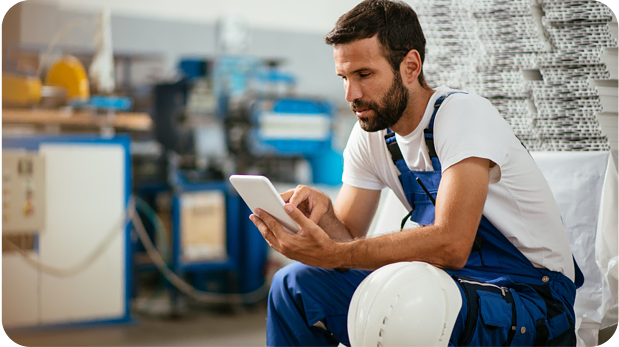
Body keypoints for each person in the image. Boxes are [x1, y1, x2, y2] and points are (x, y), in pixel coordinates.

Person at [248, 1, 584, 346]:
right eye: (344, 78)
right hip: (449, 283)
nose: (352, 94)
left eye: (364, 75)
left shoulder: (462, 115)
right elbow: (348, 244)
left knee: (410, 311)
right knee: (295, 285)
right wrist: (324, 215)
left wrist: (336, 253)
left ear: (410, 66)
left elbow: (452, 244)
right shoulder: (372, 135)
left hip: (530, 295)